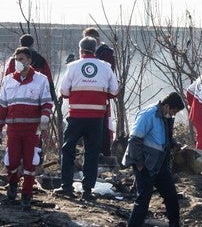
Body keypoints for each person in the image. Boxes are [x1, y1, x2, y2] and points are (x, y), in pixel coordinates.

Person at [54, 37, 119, 201]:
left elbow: (64, 91)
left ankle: (67, 187)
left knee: (68, 151)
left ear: (80, 49)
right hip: (96, 118)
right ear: (95, 50)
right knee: (92, 154)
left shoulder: (72, 66)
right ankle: (87, 191)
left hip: (75, 117)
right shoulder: (105, 67)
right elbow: (115, 91)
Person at [0, 47, 53, 210]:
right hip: (13, 129)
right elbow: (2, 107)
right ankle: (13, 183)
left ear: (29, 61)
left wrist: (45, 115)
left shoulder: (40, 80)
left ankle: (26, 193)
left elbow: (46, 102)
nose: (18, 62)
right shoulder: (8, 80)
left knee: (31, 162)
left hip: (32, 130)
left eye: (21, 59)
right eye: (16, 59)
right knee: (11, 161)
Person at [122, 92, 185, 227]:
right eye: (173, 111)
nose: (174, 115)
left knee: (171, 197)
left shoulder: (165, 116)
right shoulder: (148, 115)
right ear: (166, 106)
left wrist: (173, 143)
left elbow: (163, 137)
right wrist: (139, 164)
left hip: (160, 165)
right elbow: (134, 140)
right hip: (145, 164)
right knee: (143, 200)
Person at [83, 27, 117, 157]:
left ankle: (103, 154)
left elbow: (109, 80)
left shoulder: (105, 55)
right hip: (88, 99)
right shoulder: (97, 55)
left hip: (100, 98)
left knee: (102, 128)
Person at [4, 34, 57, 103]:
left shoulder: (13, 60)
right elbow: (48, 78)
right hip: (35, 98)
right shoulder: (41, 60)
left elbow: (7, 79)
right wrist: (52, 97)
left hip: (15, 98)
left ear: (20, 44)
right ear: (32, 44)